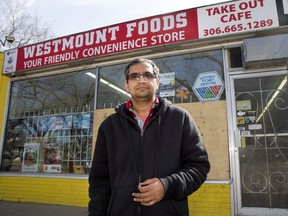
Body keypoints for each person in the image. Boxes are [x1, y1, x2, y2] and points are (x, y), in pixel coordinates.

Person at [88, 58, 210, 216]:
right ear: (127, 84)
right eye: (135, 76)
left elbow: (199, 167)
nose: (141, 80)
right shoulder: (109, 126)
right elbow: (99, 180)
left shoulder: (180, 118)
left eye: (147, 75)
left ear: (157, 82)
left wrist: (167, 186)